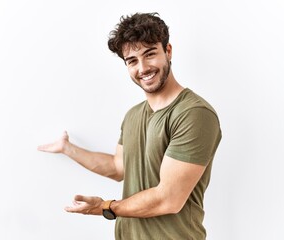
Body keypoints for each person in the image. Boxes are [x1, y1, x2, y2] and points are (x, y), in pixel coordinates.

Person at [38, 12, 222, 240]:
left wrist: (105, 207)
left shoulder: (193, 114)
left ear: (168, 51)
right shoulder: (133, 115)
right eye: (132, 61)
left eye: (150, 54)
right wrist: (68, 148)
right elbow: (118, 168)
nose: (143, 68)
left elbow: (169, 199)